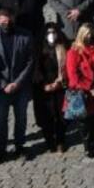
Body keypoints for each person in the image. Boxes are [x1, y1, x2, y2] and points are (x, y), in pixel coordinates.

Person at [0, 7, 33, 164]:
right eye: (3, 21)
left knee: (21, 117)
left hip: (20, 86)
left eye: (9, 20)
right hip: (0, 88)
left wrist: (17, 82)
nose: (6, 23)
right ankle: (1, 148)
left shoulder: (25, 36)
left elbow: (30, 61)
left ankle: (19, 146)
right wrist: (3, 84)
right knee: (1, 119)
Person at [66, 23, 94, 159]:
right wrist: (89, 88)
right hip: (83, 92)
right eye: (86, 35)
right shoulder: (74, 52)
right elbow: (73, 76)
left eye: (91, 35)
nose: (89, 37)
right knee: (85, 122)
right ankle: (88, 146)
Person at [31, 23, 67, 155]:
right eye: (48, 33)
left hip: (60, 87)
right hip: (43, 89)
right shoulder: (38, 49)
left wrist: (58, 82)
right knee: (46, 117)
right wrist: (44, 85)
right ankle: (50, 141)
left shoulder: (63, 47)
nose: (51, 35)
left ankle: (60, 141)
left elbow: (67, 67)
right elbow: (35, 69)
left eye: (53, 32)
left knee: (61, 116)